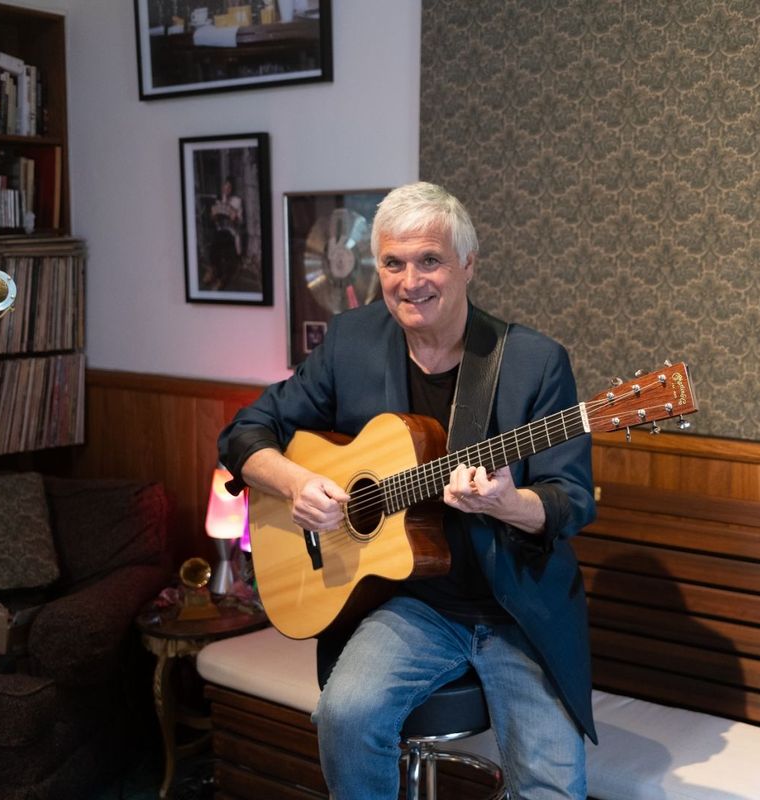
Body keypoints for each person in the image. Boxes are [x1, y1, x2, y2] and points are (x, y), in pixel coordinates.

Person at [217, 181, 596, 799]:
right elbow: (246, 431)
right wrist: (296, 483)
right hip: (408, 603)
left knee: (552, 787)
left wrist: (507, 502)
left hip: (516, 607)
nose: (410, 280)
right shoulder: (352, 342)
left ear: (468, 264)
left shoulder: (534, 362)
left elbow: (571, 499)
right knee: (346, 715)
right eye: (393, 263)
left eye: (430, 261)